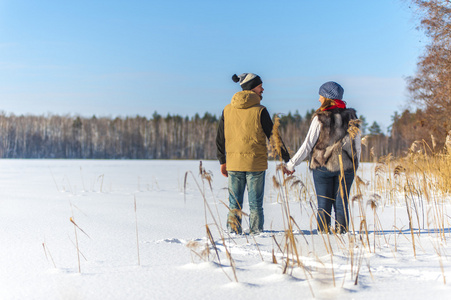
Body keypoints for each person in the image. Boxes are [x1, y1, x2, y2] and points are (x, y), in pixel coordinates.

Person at [216, 73, 290, 234]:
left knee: (234, 203)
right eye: (259, 86)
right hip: (255, 164)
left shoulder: (227, 110)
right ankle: (257, 233)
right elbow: (273, 137)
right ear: (251, 87)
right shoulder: (260, 110)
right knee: (256, 203)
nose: (262, 89)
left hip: (234, 163)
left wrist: (223, 161)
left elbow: (220, 138)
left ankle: (233, 232)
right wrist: (287, 159)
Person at [283, 81, 361, 234]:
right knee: (341, 203)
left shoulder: (320, 117)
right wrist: (354, 165)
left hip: (322, 167)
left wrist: (291, 164)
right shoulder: (351, 117)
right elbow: (357, 145)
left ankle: (323, 237)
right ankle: (342, 235)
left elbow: (308, 145)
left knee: (324, 204)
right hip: (346, 167)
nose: (319, 99)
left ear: (327, 97)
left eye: (320, 96)